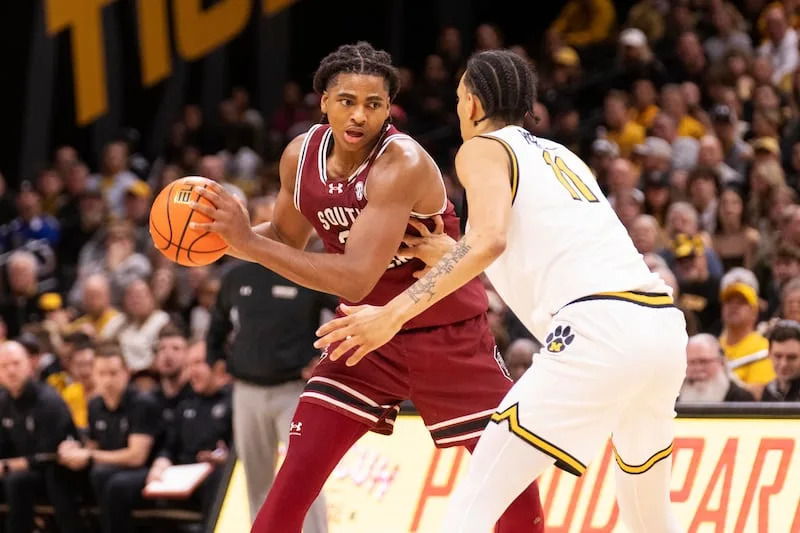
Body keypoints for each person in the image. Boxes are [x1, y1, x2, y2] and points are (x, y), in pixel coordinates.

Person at [316, 49, 688, 532]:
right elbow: (534, 247)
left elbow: (488, 240)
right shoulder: (559, 153)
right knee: (648, 514)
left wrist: (392, 313)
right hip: (658, 327)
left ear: (471, 104)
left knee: (473, 505)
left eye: (457, 99)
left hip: (600, 330)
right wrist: (450, 249)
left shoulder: (482, 149)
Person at [190, 42, 544, 532]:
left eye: (373, 104)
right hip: (363, 339)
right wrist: (215, 239)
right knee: (290, 486)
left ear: (388, 109)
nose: (359, 115)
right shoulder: (300, 156)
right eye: (347, 101)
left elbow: (357, 276)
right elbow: (287, 240)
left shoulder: (401, 163)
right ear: (324, 102)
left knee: (517, 501)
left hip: (450, 339)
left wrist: (248, 242)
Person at [207, 195, 331, 529]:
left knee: (304, 477)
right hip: (246, 389)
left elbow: (344, 311)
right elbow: (217, 322)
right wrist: (214, 357)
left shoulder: (305, 266)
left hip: (294, 391)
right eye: (262, 221)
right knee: (256, 478)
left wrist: (324, 358)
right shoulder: (235, 275)